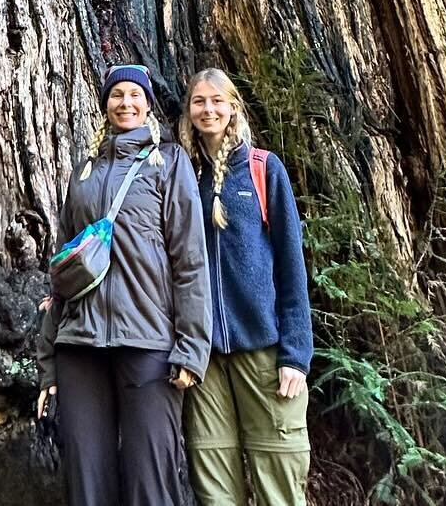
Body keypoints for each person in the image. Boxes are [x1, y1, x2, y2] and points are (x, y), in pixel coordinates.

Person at [37, 63, 211, 506]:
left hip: (149, 343)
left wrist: (191, 348)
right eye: (117, 95)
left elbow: (190, 262)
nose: (126, 102)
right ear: (105, 104)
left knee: (149, 480)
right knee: (86, 482)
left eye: (135, 94)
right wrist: (49, 364)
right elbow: (62, 271)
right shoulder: (84, 172)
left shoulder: (169, 164)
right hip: (80, 345)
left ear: (148, 104)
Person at [180, 67, 313, 506]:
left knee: (279, 479)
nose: (208, 109)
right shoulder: (183, 176)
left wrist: (296, 353)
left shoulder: (262, 169)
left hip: (264, 351)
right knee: (215, 489)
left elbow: (292, 267)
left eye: (217, 100)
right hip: (206, 360)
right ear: (189, 110)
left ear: (233, 106)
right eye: (199, 101)